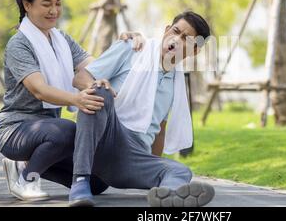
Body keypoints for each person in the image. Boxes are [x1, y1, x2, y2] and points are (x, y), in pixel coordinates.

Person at [0, 0, 144, 201]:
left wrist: (121, 46)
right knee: (66, 130)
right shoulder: (19, 44)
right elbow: (39, 90)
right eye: (46, 4)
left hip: (50, 130)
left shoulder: (61, 40)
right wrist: (76, 99)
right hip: (15, 128)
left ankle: (24, 165)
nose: (54, 10)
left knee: (98, 182)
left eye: (58, 3)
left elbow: (93, 66)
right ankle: (26, 179)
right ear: (27, 4)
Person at [70, 10, 215, 207]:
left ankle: (167, 195)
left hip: (133, 158)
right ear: (166, 30)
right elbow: (80, 78)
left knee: (181, 171)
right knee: (99, 91)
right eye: (175, 31)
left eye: (186, 39)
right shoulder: (133, 48)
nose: (177, 40)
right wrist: (94, 85)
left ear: (195, 50)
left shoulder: (176, 83)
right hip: (107, 139)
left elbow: (159, 132)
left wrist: (154, 165)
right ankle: (80, 182)